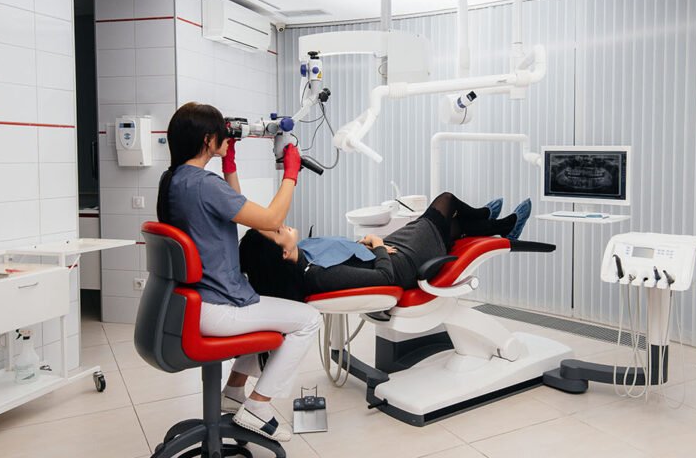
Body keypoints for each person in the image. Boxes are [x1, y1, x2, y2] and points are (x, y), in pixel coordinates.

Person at [157, 102, 322, 442]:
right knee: (308, 320)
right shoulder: (204, 184)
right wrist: (291, 173)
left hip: (192, 302)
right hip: (217, 307)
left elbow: (235, 207)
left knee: (263, 305)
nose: (226, 136)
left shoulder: (175, 179)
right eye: (221, 133)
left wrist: (229, 165)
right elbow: (272, 219)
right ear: (208, 140)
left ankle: (233, 391)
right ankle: (258, 406)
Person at [238, 192, 533, 302]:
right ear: (283, 253)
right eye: (276, 232)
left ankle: (496, 224)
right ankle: (493, 221)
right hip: (401, 264)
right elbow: (384, 278)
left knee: (453, 226)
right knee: (446, 202)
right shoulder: (316, 274)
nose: (280, 224)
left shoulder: (305, 254)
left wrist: (361, 245)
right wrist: (377, 244)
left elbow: (344, 258)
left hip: (386, 252)